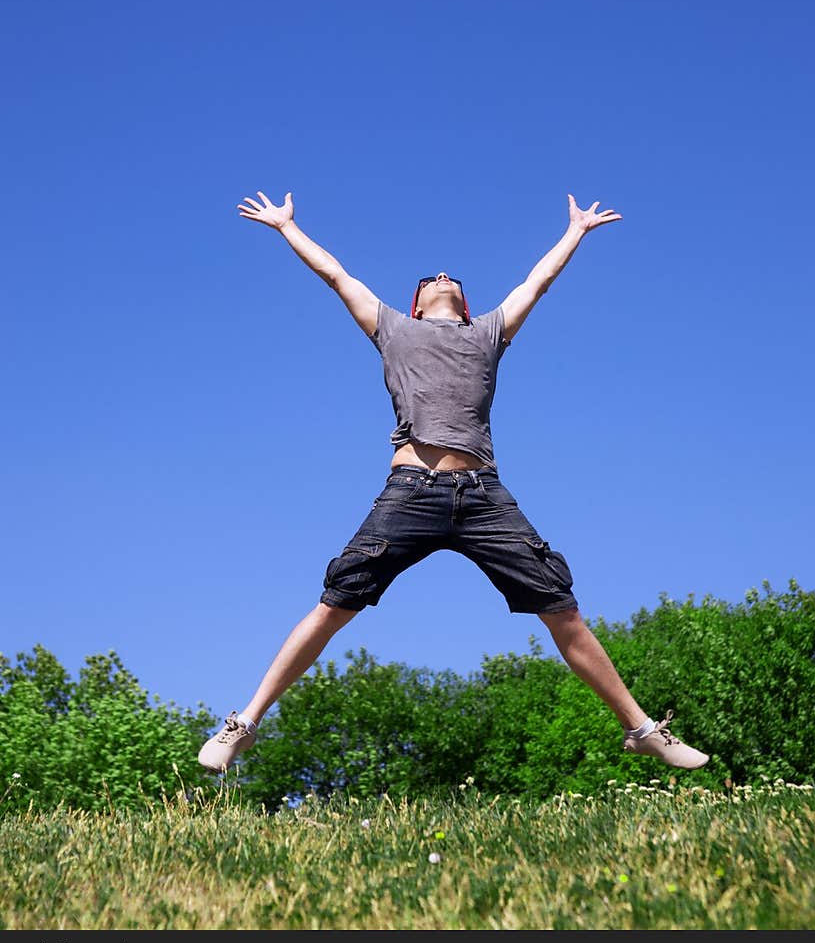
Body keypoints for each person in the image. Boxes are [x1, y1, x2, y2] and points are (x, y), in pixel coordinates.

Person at [198, 189, 709, 774]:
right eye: (430, 277)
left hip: (484, 496)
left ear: (465, 306)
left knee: (562, 609)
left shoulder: (487, 333)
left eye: (452, 276)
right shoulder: (392, 329)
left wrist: (575, 232)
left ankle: (643, 730)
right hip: (411, 490)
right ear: (415, 306)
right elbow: (336, 275)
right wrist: (287, 227)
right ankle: (244, 723)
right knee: (335, 603)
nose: (442, 276)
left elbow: (534, 284)